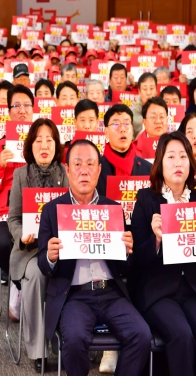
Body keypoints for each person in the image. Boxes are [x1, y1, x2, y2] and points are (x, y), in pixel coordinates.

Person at [37, 139, 152, 376]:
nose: (84, 171)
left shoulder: (113, 209)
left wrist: (127, 252)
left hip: (111, 293)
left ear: (99, 170)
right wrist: (50, 256)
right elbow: (42, 264)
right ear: (67, 170)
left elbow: (126, 268)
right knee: (74, 341)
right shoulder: (52, 210)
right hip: (74, 296)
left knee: (141, 336)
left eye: (90, 164)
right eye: (77, 164)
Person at [130, 132, 196, 376]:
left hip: (191, 288)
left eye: (183, 157)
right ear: (160, 163)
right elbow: (136, 257)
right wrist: (156, 239)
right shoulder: (146, 199)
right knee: (182, 334)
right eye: (171, 157)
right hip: (158, 291)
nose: (178, 163)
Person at [8, 119, 68, 373]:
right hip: (30, 251)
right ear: (30, 146)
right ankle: (38, 350)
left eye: (49, 140)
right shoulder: (20, 175)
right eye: (38, 140)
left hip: (63, 247)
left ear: (57, 145)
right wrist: (21, 235)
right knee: (36, 275)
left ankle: (68, 341)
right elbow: (13, 218)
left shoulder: (66, 173)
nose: (44, 146)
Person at [0, 85, 35, 283]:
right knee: (1, 246)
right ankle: (17, 277)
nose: (22, 110)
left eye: (27, 105)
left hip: (37, 211)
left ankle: (25, 278)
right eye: (16, 106)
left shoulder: (44, 145)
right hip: (7, 214)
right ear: (8, 112)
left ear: (33, 110)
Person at [97, 104, 152, 196]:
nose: (122, 129)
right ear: (106, 132)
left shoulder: (148, 169)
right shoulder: (96, 170)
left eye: (126, 124)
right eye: (115, 124)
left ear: (132, 129)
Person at [131, 72, 157, 136]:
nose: (148, 93)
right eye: (145, 89)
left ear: (156, 90)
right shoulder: (131, 114)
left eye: (151, 88)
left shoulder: (163, 110)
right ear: (139, 91)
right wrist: (138, 138)